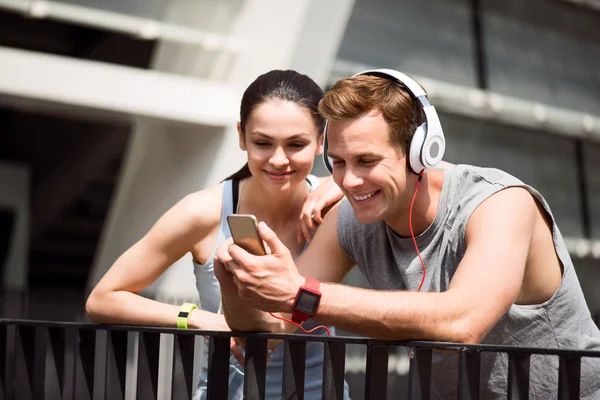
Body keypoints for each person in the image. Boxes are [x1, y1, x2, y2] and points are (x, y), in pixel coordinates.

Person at [214, 69, 600, 399]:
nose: (349, 180)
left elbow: (462, 322)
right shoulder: (350, 216)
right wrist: (235, 281)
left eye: (367, 161)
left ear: (421, 153)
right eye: (338, 162)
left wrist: (302, 294)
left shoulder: (501, 204)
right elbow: (277, 324)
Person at [85, 69, 350, 400]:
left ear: (321, 140)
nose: (279, 160)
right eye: (262, 143)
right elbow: (102, 298)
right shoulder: (203, 211)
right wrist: (197, 319)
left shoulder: (338, 205)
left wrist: (343, 181)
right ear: (241, 137)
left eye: (296, 144)